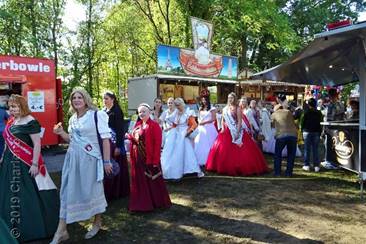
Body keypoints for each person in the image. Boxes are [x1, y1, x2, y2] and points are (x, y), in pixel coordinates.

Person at [51, 88, 112, 243]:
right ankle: (61, 230)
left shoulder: (97, 115)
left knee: (93, 191)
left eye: (80, 97)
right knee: (66, 191)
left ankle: (97, 222)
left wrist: (106, 161)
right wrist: (60, 132)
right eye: (74, 98)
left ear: (86, 99)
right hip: (72, 159)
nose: (76, 100)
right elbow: (70, 139)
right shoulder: (72, 118)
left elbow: (105, 140)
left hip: (90, 160)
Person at [0, 94, 59, 242]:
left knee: (27, 194)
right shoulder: (12, 121)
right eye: (10, 106)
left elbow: (37, 144)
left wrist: (34, 164)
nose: (12, 109)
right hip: (9, 162)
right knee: (9, 193)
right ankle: (10, 226)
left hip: (25, 163)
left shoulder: (30, 121)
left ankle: (32, 227)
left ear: (22, 106)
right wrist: (3, 156)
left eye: (15, 106)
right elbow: (8, 141)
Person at [206, 93, 268, 176]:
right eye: (229, 98)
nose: (230, 99)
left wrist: (238, 131)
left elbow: (239, 121)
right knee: (223, 149)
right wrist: (222, 128)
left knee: (241, 150)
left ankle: (239, 166)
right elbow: (223, 119)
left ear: (234, 99)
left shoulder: (237, 108)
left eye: (232, 98)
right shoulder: (225, 108)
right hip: (226, 131)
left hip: (236, 130)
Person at [127, 103, 171, 211]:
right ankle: (141, 201)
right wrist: (130, 137)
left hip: (150, 159)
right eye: (140, 112)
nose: (141, 114)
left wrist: (155, 161)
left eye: (144, 111)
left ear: (149, 112)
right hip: (138, 158)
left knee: (152, 181)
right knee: (141, 181)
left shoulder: (154, 126)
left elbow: (157, 144)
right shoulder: (138, 124)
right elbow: (135, 138)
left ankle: (155, 201)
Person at [161, 98, 203, 180]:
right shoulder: (176, 112)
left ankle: (190, 171)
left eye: (178, 105)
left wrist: (188, 132)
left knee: (186, 152)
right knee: (174, 152)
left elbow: (194, 125)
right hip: (176, 134)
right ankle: (175, 170)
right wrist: (169, 128)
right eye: (176, 105)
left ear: (182, 104)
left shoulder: (188, 113)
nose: (177, 107)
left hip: (184, 134)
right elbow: (174, 124)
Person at [103, 91, 130, 201]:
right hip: (107, 142)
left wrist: (118, 146)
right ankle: (110, 190)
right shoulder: (104, 111)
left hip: (116, 143)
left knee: (117, 166)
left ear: (113, 99)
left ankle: (119, 191)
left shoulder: (117, 111)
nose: (105, 101)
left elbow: (120, 130)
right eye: (104, 99)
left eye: (107, 99)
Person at [271, 104, 298, 176]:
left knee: (277, 154)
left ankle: (277, 173)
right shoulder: (288, 112)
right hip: (293, 135)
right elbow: (293, 121)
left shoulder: (274, 114)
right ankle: (289, 173)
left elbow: (272, 125)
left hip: (281, 135)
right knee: (291, 155)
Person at [321, 88, 345, 169]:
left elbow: (329, 118)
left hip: (330, 128)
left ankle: (329, 161)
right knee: (337, 145)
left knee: (328, 145)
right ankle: (336, 161)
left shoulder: (331, 105)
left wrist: (324, 130)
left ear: (330, 96)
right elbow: (342, 116)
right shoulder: (341, 104)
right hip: (339, 128)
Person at [194, 95, 218, 167]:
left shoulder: (212, 108)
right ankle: (200, 159)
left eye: (205, 100)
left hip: (209, 128)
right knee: (200, 143)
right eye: (203, 100)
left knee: (209, 143)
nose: (204, 101)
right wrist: (199, 122)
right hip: (201, 128)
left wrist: (204, 122)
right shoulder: (200, 108)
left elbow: (213, 119)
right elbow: (198, 117)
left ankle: (210, 160)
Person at [300, 98, 323, 172]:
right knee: (315, 149)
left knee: (307, 149)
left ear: (308, 104)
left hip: (306, 132)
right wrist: (320, 132)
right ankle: (316, 166)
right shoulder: (319, 112)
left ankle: (306, 165)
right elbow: (321, 122)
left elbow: (302, 122)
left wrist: (301, 130)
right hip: (316, 132)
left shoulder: (305, 112)